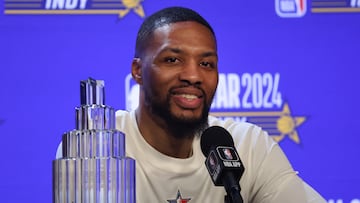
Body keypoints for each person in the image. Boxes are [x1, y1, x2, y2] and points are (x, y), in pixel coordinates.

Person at [115, 6, 326, 203]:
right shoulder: (97, 145)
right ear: (138, 70)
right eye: (173, 60)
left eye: (206, 64)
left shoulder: (246, 146)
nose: (193, 76)